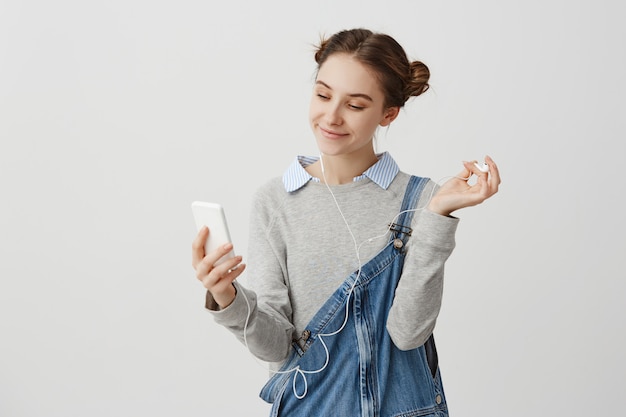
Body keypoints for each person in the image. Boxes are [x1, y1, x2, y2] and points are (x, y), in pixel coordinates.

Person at [191, 28, 500, 416]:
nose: (331, 116)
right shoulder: (274, 202)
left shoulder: (420, 199)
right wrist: (227, 298)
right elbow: (276, 348)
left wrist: (438, 216)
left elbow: (407, 335)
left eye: (354, 105)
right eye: (322, 95)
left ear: (388, 113)